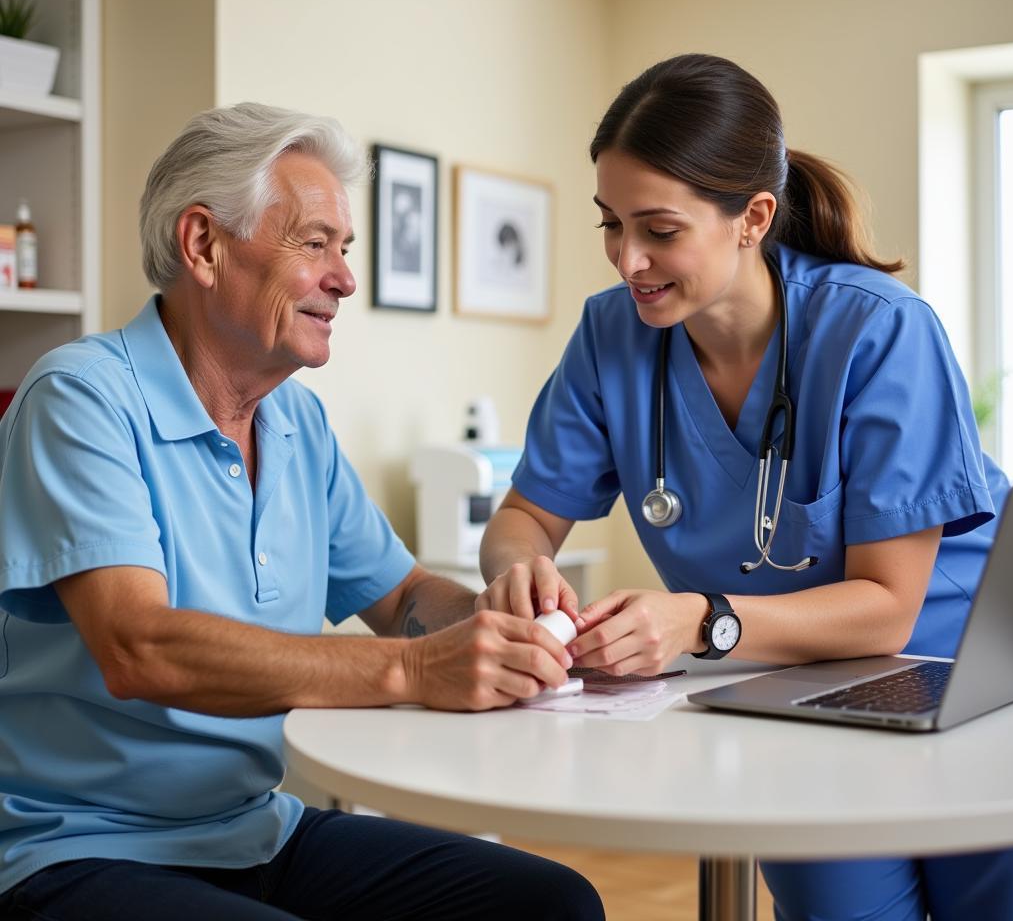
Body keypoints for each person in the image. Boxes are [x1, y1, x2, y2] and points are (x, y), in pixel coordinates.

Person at [0, 104, 604, 921]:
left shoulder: (296, 423)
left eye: (345, 249)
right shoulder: (80, 398)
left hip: (254, 828)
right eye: (315, 243)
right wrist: (419, 671)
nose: (346, 278)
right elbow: (138, 648)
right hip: (78, 848)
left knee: (551, 903)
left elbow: (403, 602)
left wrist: (514, 623)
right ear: (204, 245)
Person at [478, 53, 1013, 921]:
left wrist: (700, 619)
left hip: (961, 680)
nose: (628, 260)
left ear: (752, 218)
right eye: (609, 225)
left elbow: (888, 606)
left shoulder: (878, 332)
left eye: (658, 230)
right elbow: (524, 517)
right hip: (792, 690)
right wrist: (517, 567)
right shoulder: (610, 336)